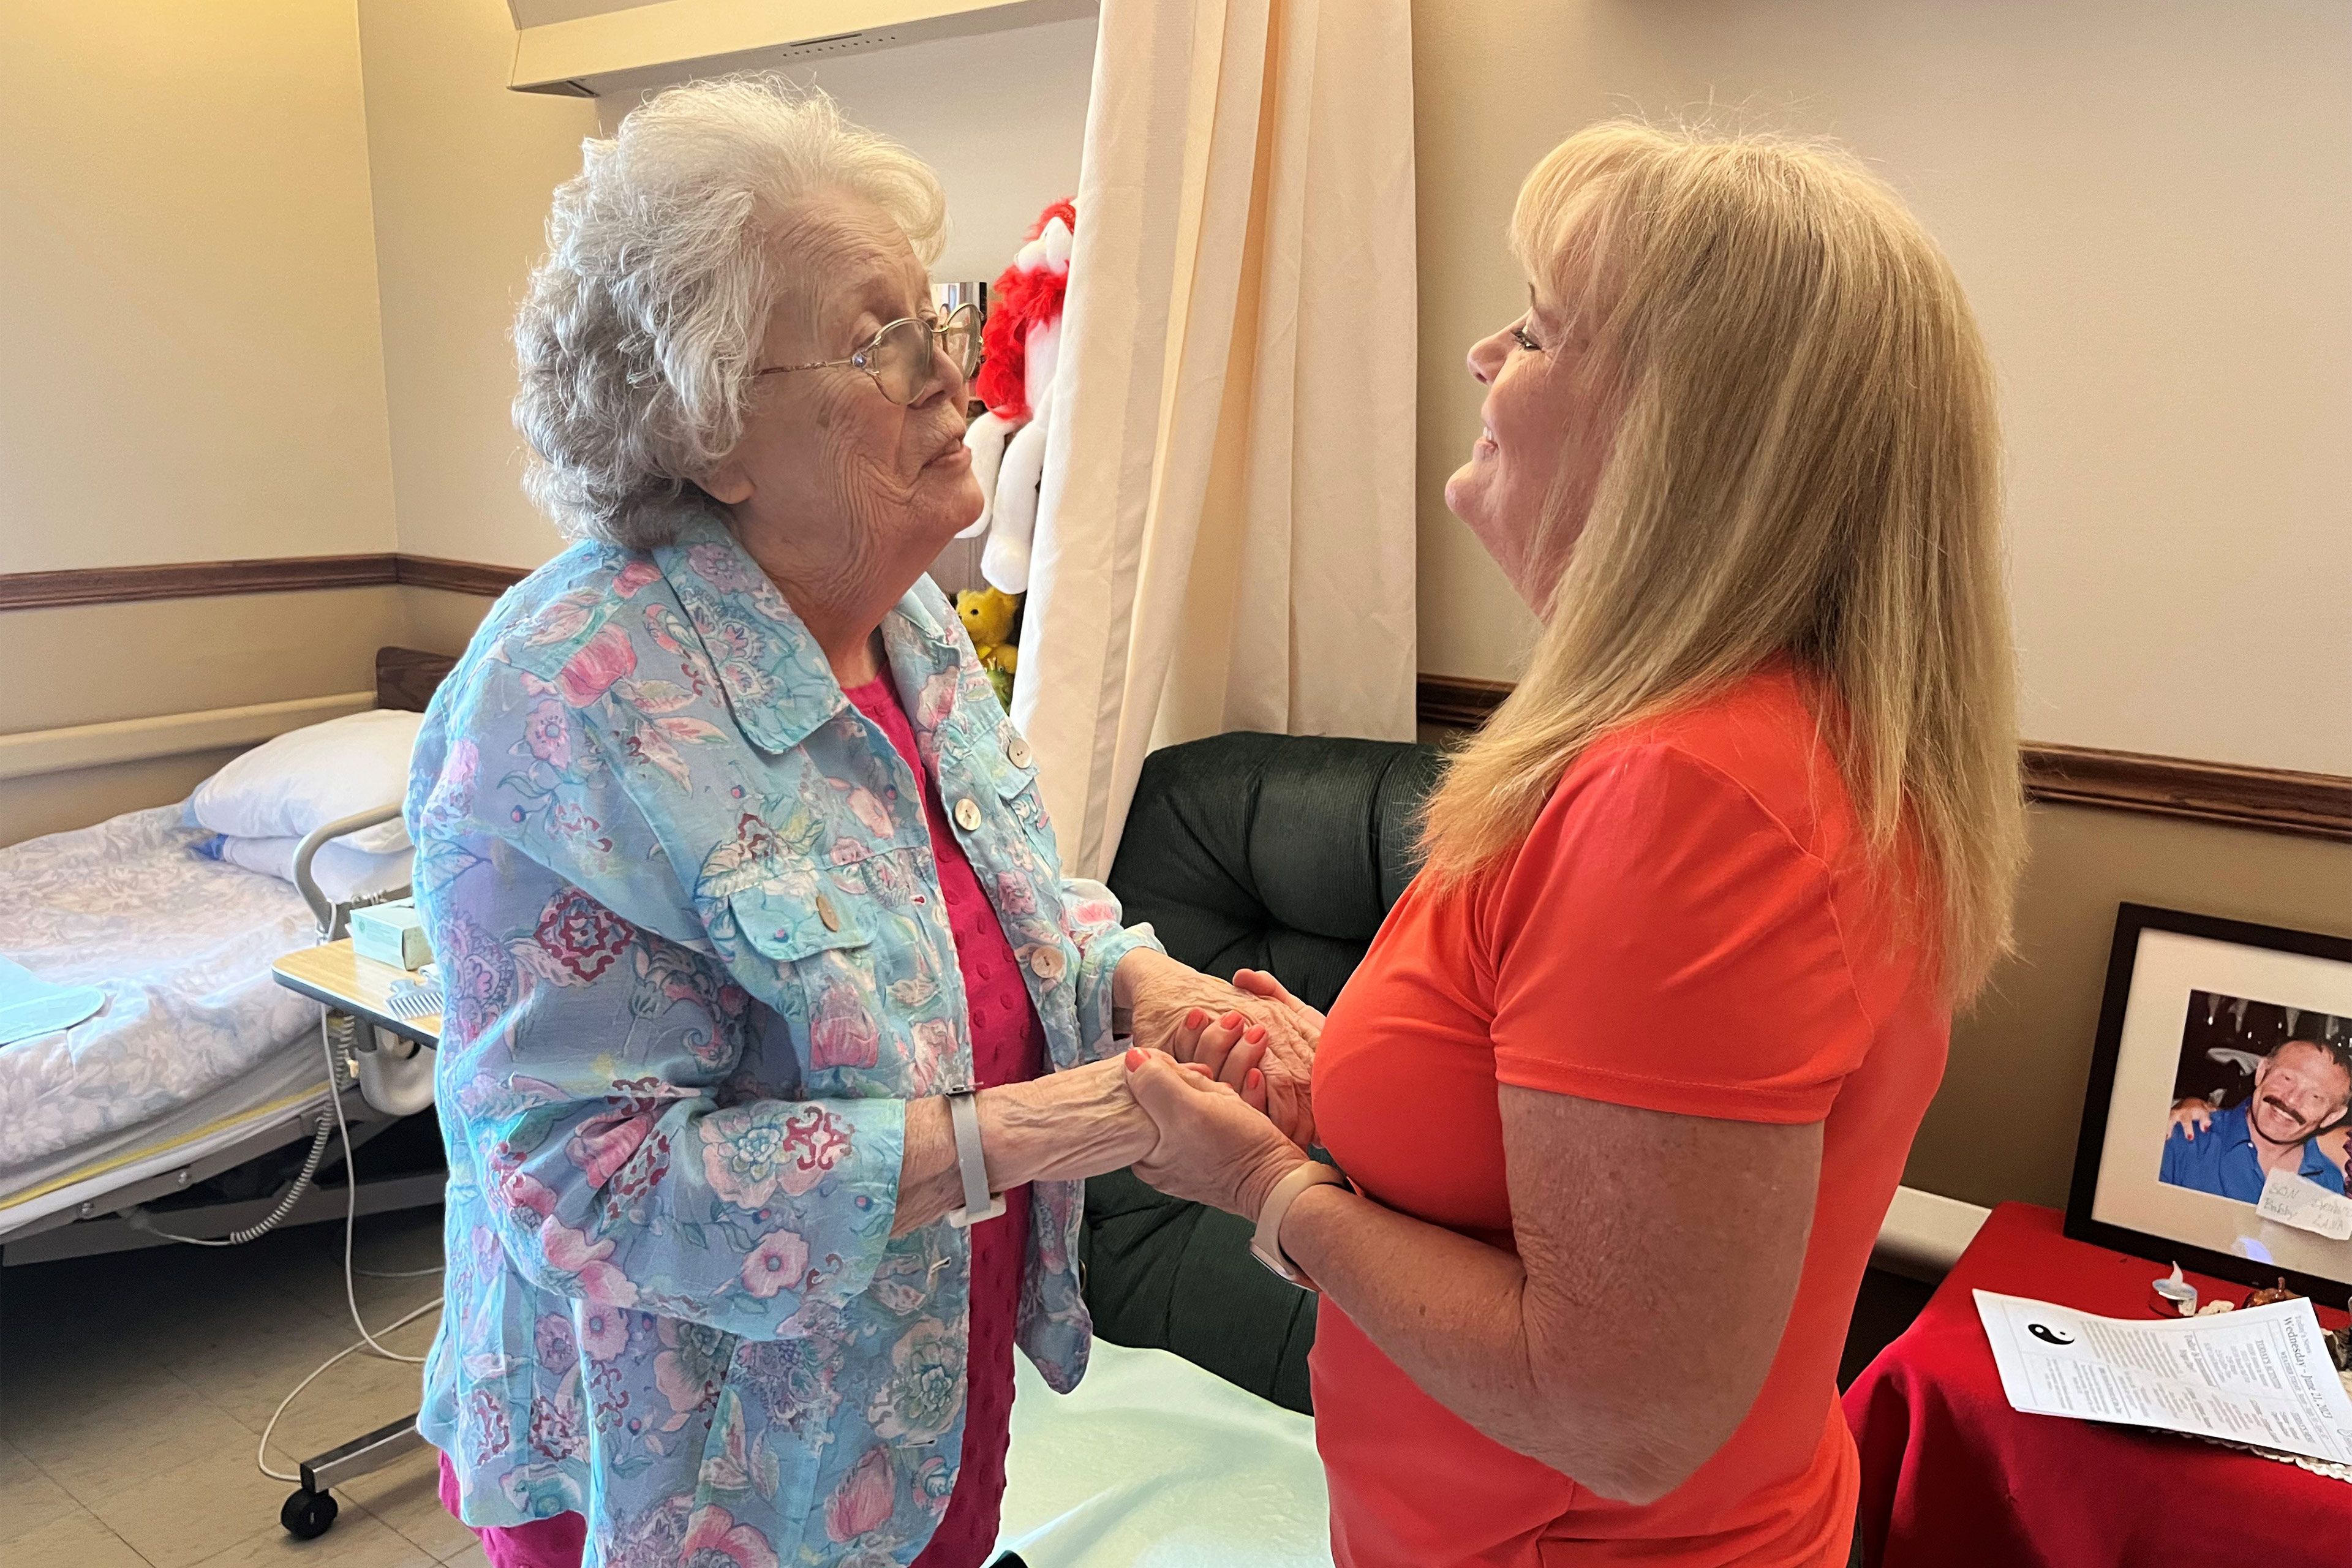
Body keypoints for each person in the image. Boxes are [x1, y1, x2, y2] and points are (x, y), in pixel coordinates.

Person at [407, 79, 1304, 1568]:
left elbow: (1000, 911)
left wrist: (1152, 990)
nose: (950, 373)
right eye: (879, 340)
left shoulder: (912, 631)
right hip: (697, 1471)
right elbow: (585, 1179)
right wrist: (1072, 1122)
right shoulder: (562, 695)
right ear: (710, 429)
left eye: (932, 319)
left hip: (912, 1405)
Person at [1126, 122, 2026, 1567]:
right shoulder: (1769, 740)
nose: (1484, 355)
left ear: (1684, 434)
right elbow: (1599, 1155)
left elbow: (1613, 1410)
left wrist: (1261, 1186)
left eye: (1538, 330)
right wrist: (1343, 1086)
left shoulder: (1689, 796)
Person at [2163, 1038, 2352, 1199]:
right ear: (2261, 1072)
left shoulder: (2331, 1189)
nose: (2292, 1100)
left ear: (2332, 1116)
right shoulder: (2179, 1141)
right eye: (2286, 1079)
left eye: (2315, 1097)